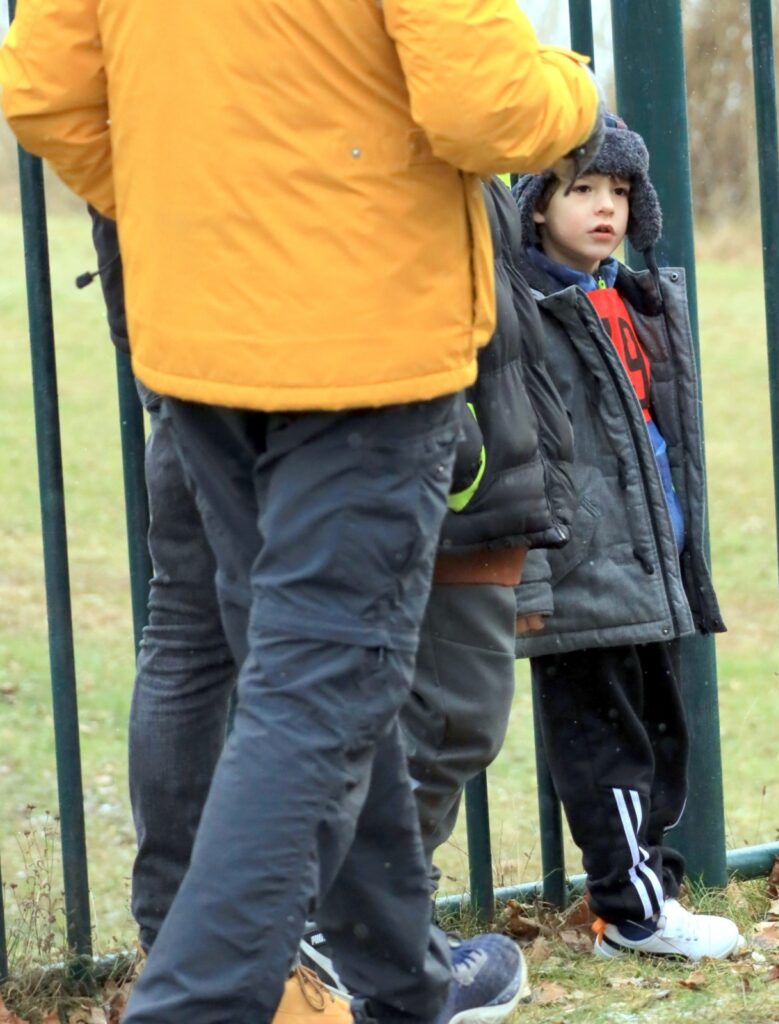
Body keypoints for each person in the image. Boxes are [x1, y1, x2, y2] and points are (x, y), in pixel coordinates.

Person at [0, 3, 601, 1022]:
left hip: (199, 339)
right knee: (318, 688)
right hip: (361, 339)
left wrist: (184, 211)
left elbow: (45, 91)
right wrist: (574, 88)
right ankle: (191, 1006)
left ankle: (404, 984)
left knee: (320, 674)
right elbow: (484, 103)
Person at [300, 177, 577, 990]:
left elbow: (511, 347)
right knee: (442, 716)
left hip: (480, 477)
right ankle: (349, 930)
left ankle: (383, 922)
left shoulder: (478, 169)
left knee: (456, 718)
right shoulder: (418, 133)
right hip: (435, 467)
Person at [512, 115, 742, 962]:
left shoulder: (632, 298)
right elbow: (519, 457)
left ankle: (647, 898)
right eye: (582, 188)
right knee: (603, 751)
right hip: (578, 574)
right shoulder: (525, 312)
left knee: (657, 740)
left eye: (618, 190)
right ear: (537, 205)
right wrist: (531, 587)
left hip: (650, 565)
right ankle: (631, 911)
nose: (605, 206)